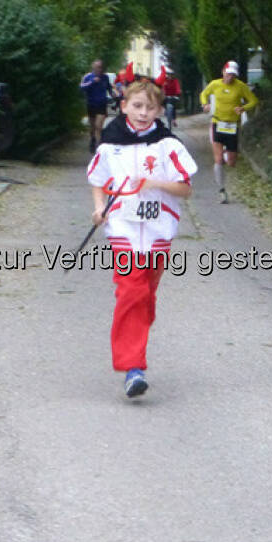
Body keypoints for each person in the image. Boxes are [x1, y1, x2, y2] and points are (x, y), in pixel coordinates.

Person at [86, 76, 197, 398]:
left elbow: (186, 189)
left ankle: (135, 345)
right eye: (137, 106)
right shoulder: (110, 146)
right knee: (131, 289)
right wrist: (98, 209)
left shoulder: (168, 146)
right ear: (123, 107)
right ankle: (133, 367)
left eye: (150, 107)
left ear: (160, 111)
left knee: (144, 295)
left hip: (159, 231)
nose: (143, 112)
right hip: (122, 228)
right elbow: (98, 181)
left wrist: (156, 183)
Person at [199, 60, 258, 203]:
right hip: (217, 123)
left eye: (233, 75)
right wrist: (205, 104)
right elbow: (203, 94)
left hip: (232, 126)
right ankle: (222, 190)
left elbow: (253, 101)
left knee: (231, 162)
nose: (230, 77)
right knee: (218, 160)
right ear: (223, 72)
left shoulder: (241, 87)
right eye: (228, 73)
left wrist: (243, 108)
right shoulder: (215, 84)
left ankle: (227, 154)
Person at [79, 59, 116, 150]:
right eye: (96, 67)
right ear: (93, 67)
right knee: (92, 126)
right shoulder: (88, 76)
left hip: (102, 104)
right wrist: (92, 82)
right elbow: (82, 87)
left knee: (98, 126)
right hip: (91, 104)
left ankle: (98, 146)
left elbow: (109, 88)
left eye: (100, 67)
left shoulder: (105, 77)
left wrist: (114, 95)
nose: (98, 69)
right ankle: (92, 139)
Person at [154, 64, 182, 130]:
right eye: (168, 75)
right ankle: (162, 115)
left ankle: (174, 120)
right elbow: (162, 88)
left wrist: (178, 93)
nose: (170, 76)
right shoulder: (165, 81)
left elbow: (177, 87)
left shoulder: (175, 81)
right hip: (165, 96)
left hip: (173, 96)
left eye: (171, 75)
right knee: (162, 103)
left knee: (173, 106)